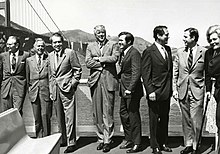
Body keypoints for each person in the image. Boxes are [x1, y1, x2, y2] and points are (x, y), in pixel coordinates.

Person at [85, 25, 119, 153]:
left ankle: (107, 140)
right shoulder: (90, 46)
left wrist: (99, 59)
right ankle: (100, 139)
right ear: (95, 34)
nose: (101, 34)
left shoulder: (113, 44)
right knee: (97, 112)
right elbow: (88, 62)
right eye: (98, 33)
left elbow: (114, 58)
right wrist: (103, 65)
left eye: (103, 32)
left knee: (108, 112)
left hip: (109, 81)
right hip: (95, 81)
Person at [173, 28, 207, 154]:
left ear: (193, 38)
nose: (183, 39)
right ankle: (188, 144)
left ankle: (195, 146)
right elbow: (175, 72)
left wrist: (207, 90)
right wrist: (174, 89)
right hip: (182, 90)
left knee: (195, 119)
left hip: (197, 90)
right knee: (186, 119)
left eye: (186, 37)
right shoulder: (180, 52)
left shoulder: (204, 52)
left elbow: (207, 73)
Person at [48, 33, 82, 153]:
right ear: (52, 44)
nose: (57, 44)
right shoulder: (50, 55)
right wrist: (51, 90)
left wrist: (73, 84)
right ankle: (63, 139)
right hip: (56, 90)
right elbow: (51, 75)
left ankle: (71, 142)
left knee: (70, 117)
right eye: (54, 42)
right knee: (59, 117)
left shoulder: (70, 53)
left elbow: (77, 70)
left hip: (67, 89)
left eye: (59, 42)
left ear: (62, 42)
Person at [142, 25, 173, 154]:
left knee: (165, 118)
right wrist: (150, 91)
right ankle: (154, 145)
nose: (168, 36)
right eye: (166, 34)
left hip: (166, 91)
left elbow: (169, 71)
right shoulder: (149, 51)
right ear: (158, 36)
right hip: (155, 91)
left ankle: (163, 142)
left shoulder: (168, 49)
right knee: (154, 120)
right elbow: (145, 73)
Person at [117, 31, 143, 153]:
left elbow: (136, 72)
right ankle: (128, 138)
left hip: (131, 91)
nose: (119, 43)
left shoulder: (135, 53)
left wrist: (130, 89)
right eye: (119, 40)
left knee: (133, 116)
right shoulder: (123, 53)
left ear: (129, 42)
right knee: (123, 113)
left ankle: (137, 143)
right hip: (123, 89)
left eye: (121, 41)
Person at [26, 38, 52, 137]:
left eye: (42, 46)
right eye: (38, 46)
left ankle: (47, 138)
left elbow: (50, 76)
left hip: (45, 91)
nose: (40, 48)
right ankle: (38, 138)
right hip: (34, 92)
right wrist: (30, 90)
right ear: (34, 47)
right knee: (36, 117)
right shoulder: (29, 60)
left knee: (45, 116)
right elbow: (28, 77)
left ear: (44, 47)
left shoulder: (48, 59)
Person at [0, 36, 29, 115]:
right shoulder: (3, 56)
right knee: (5, 113)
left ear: (17, 45)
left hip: (19, 88)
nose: (7, 46)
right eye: (7, 44)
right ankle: (7, 128)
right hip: (6, 88)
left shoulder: (25, 55)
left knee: (17, 112)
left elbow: (28, 73)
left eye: (10, 44)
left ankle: (18, 127)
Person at [204, 25, 220, 153]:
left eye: (215, 39)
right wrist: (208, 90)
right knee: (218, 119)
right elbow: (208, 73)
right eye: (210, 40)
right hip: (217, 91)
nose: (212, 42)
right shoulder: (209, 52)